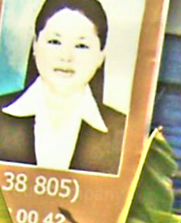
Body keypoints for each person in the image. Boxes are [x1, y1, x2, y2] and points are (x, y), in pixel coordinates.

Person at [0, 0, 126, 174]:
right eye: (54, 41)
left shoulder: (124, 132)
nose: (66, 57)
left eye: (81, 46)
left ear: (100, 56)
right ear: (35, 46)